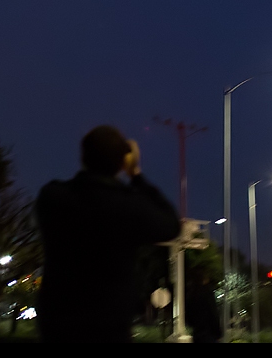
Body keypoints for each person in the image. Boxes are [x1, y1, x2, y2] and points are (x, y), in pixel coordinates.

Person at [35, 125, 181, 342]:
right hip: (110, 329)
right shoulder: (128, 207)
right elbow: (171, 225)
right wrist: (136, 175)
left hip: (57, 328)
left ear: (83, 156)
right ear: (123, 163)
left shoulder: (52, 197)